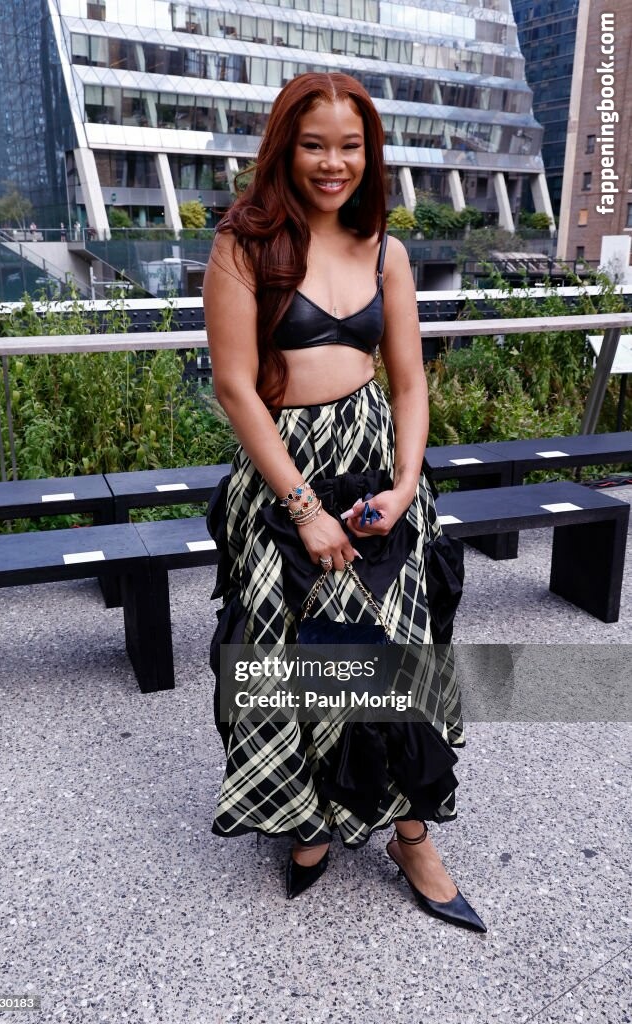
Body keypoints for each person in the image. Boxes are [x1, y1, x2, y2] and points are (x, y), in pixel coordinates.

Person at [203, 72, 485, 932]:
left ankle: (411, 836)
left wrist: (404, 485)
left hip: (377, 474)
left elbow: (409, 382)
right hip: (284, 480)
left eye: (350, 146)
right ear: (285, 148)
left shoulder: (383, 250)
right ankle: (309, 820)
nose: (333, 162)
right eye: (314, 144)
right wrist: (303, 509)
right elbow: (235, 387)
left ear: (370, 153)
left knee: (397, 656)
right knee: (293, 657)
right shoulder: (242, 246)